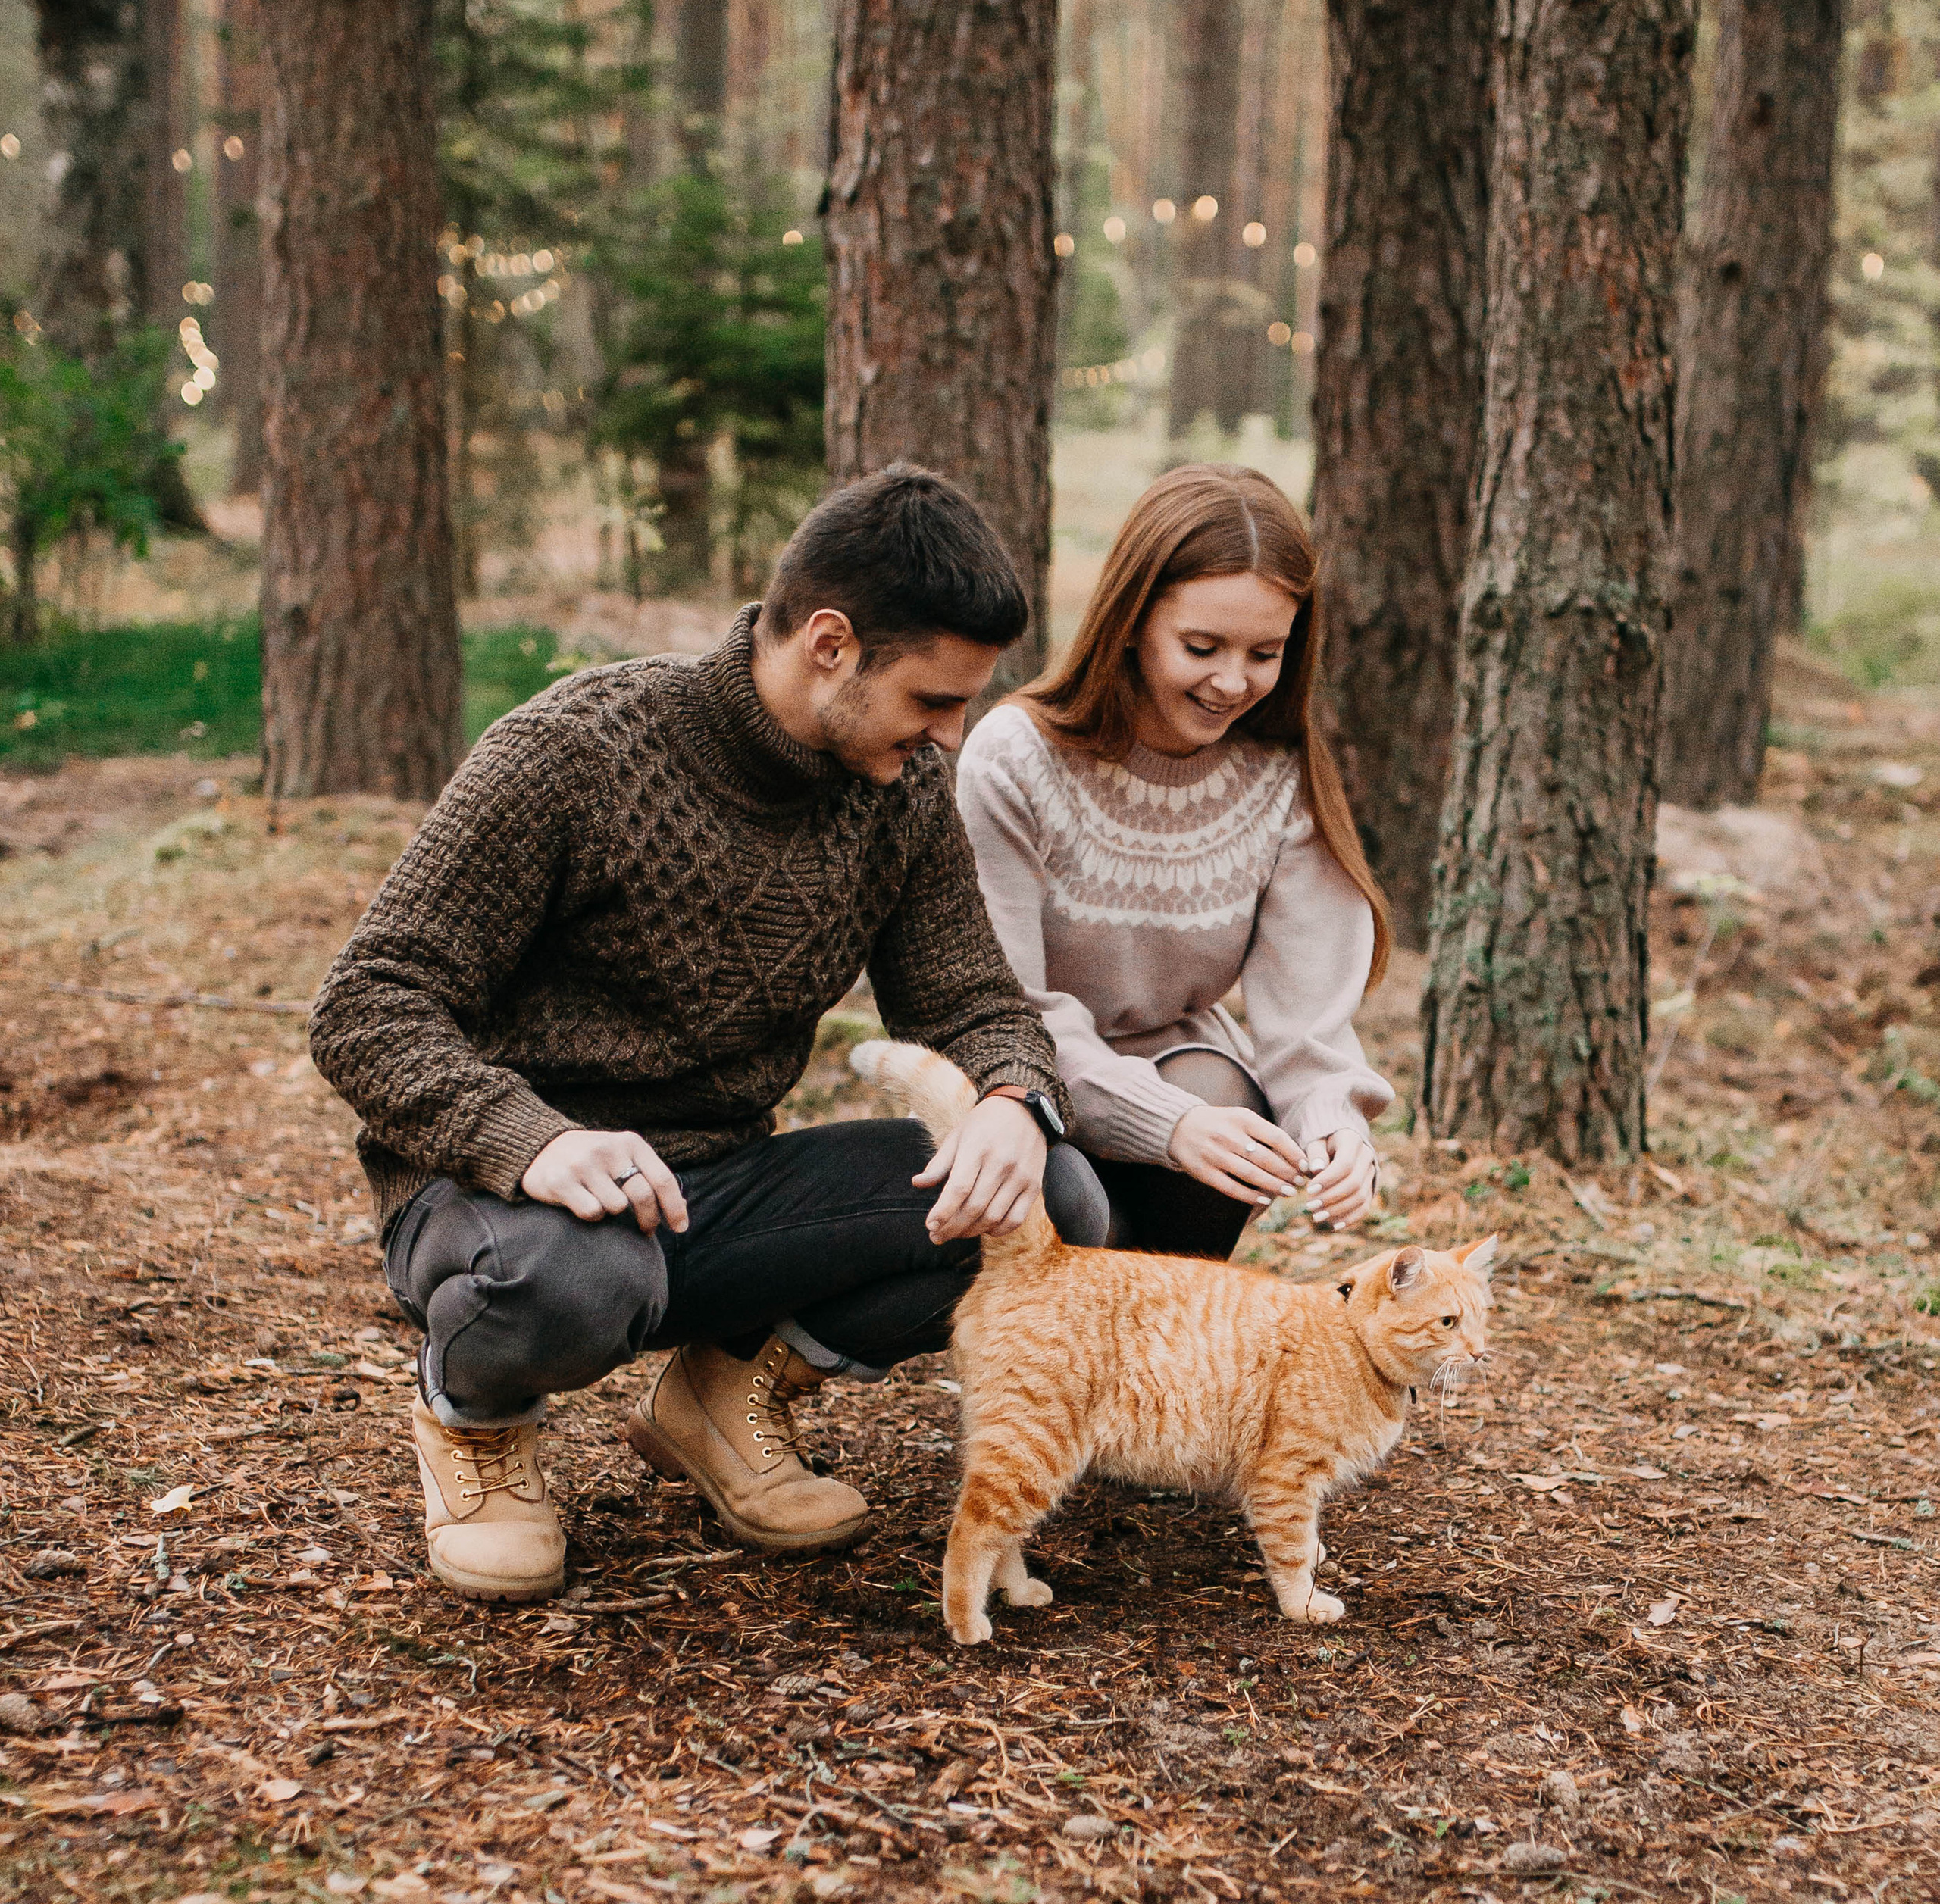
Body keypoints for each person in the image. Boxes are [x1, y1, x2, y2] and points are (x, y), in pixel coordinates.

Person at [309, 464, 1105, 1605]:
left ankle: (724, 1393)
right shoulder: (576, 752)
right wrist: (532, 1140)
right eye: (934, 702)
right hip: (503, 1209)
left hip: (713, 1192)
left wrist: (1012, 1100)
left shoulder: (897, 792)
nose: (951, 737)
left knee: (1051, 1203)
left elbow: (974, 1001)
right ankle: (474, 1421)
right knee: (577, 1275)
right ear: (831, 645)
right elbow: (368, 1001)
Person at [955, 461, 1392, 1265]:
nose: (1232, 682)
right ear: (1129, 620)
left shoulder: (1278, 776)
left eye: (1265, 653)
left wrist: (1335, 1123)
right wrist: (1166, 1121)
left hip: (1186, 1090)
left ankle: (1152, 1353)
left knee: (1226, 1104)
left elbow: (1306, 1030)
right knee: (1075, 1204)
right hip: (1022, 1087)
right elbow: (1010, 1008)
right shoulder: (1015, 760)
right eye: (1201, 646)